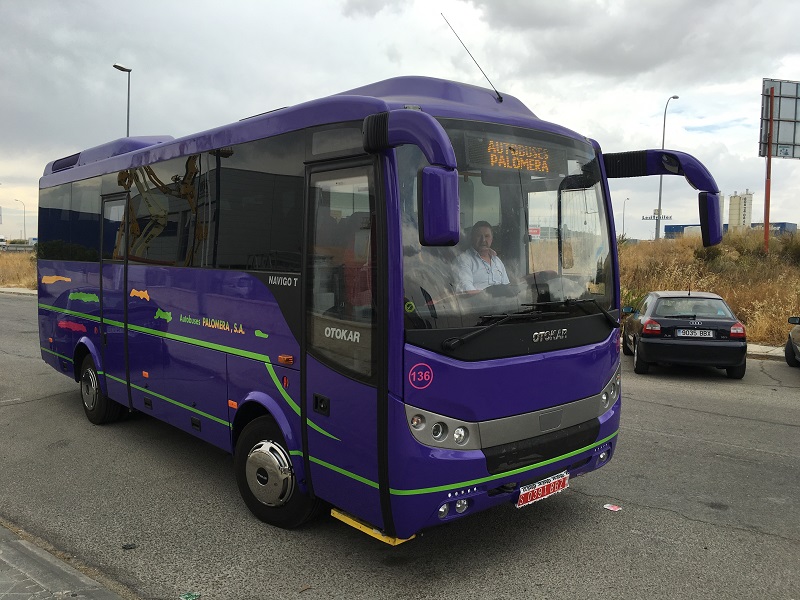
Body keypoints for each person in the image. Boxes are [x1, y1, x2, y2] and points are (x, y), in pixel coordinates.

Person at [453, 221, 510, 294]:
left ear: (491, 239)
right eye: (479, 236)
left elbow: (506, 287)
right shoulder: (463, 260)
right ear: (472, 238)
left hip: (504, 304)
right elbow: (467, 290)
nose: (483, 240)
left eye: (487, 236)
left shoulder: (497, 261)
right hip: (476, 305)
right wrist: (489, 297)